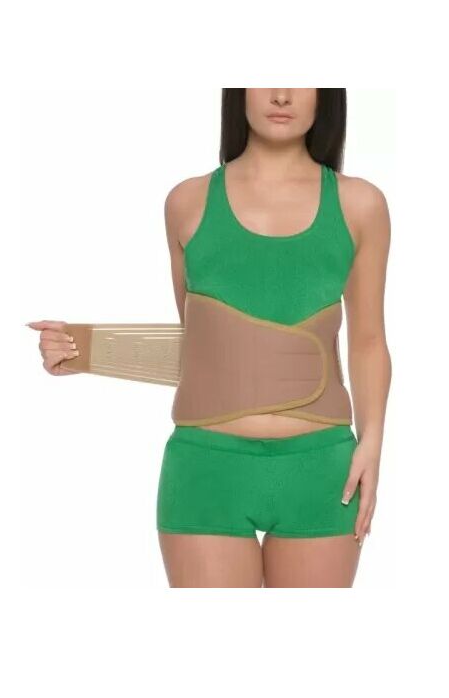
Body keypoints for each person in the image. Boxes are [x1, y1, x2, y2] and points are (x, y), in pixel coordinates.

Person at [28, 88, 391, 588]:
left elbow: (368, 340)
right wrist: (82, 350)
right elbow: (206, 349)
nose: (281, 95)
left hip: (322, 468)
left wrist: (373, 444)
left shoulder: (360, 204)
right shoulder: (187, 201)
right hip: (206, 467)